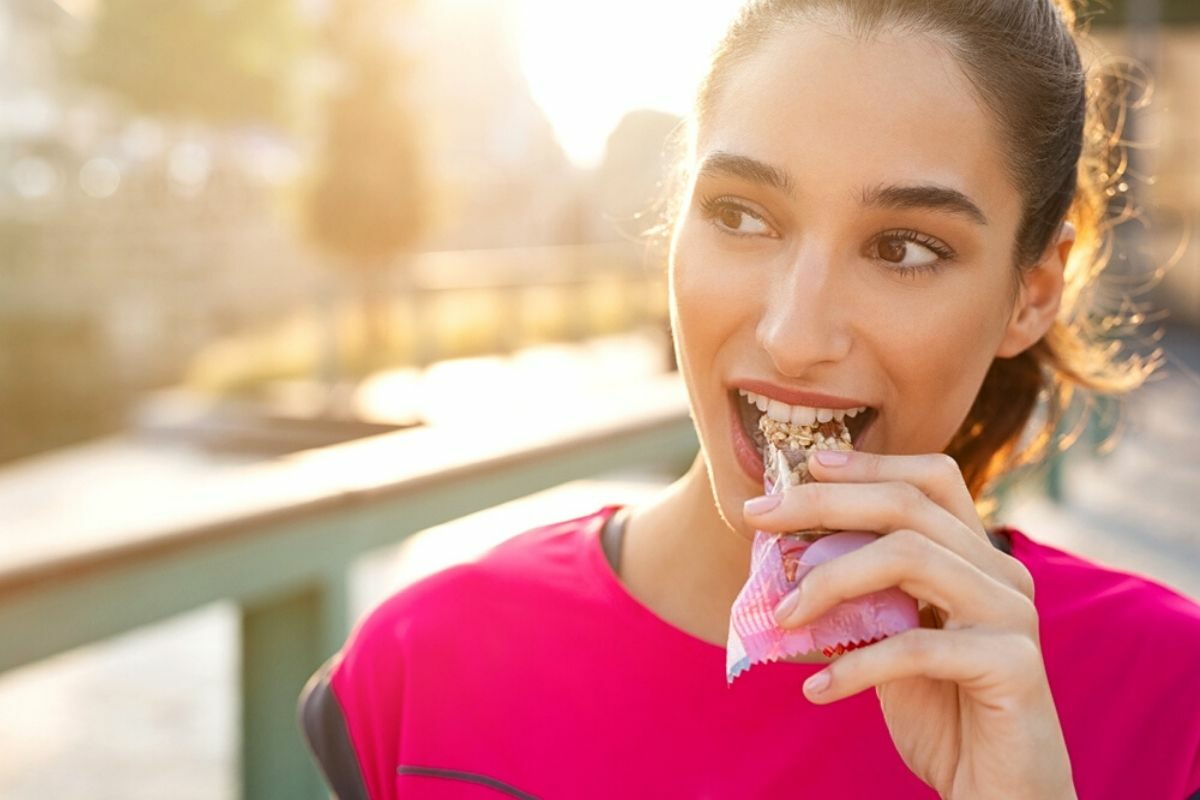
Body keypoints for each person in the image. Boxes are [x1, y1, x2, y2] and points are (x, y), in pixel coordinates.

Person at [298, 1, 1200, 797]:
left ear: (1033, 292)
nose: (793, 332)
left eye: (904, 249)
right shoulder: (422, 674)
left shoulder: (1168, 703)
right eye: (741, 215)